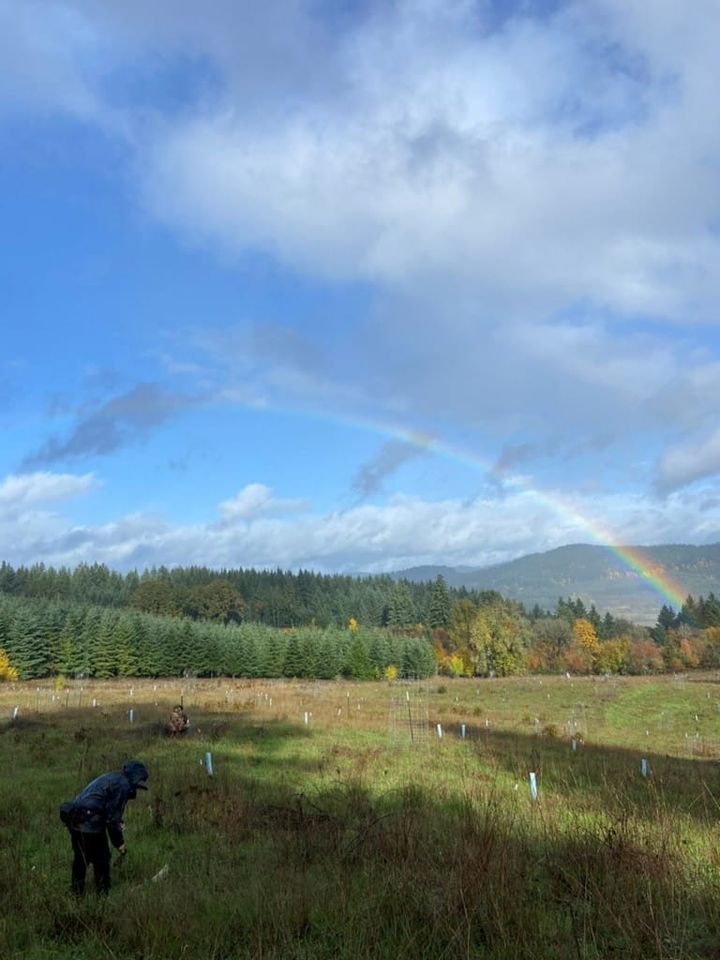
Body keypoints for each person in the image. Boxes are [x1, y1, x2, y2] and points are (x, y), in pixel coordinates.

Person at [60, 759, 149, 895]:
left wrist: (119, 821)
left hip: (75, 820)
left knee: (81, 860)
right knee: (102, 859)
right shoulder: (123, 786)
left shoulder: (112, 777)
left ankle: (76, 894)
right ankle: (103, 894)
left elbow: (103, 804)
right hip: (90, 824)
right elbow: (111, 819)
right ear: (135, 778)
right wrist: (119, 843)